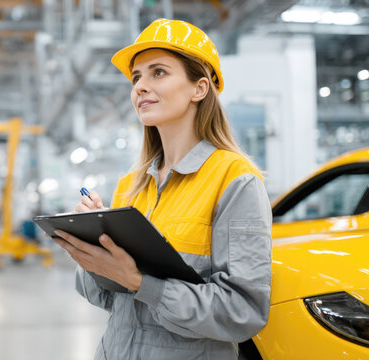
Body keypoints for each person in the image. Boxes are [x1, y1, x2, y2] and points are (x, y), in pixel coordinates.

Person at [52, 18, 272, 360]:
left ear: (199, 88)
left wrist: (143, 284)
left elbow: (242, 312)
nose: (139, 86)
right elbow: (109, 299)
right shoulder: (131, 186)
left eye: (158, 72)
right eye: (137, 76)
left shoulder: (234, 179)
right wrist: (90, 250)